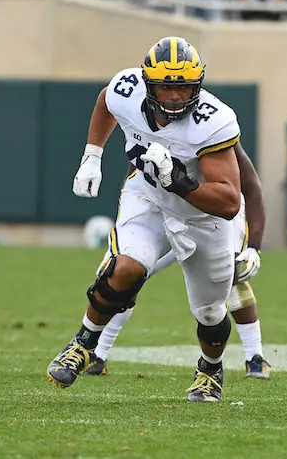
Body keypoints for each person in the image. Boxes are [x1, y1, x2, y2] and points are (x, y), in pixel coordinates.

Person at [47, 36, 243, 403]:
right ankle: (83, 342)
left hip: (204, 216)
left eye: (184, 88)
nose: (175, 98)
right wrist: (92, 155)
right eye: (167, 88)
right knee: (126, 268)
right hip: (148, 198)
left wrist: (180, 182)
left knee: (211, 311)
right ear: (147, 82)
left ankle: (210, 369)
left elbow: (230, 201)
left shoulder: (212, 122)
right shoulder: (127, 88)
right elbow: (106, 100)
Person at [85, 142, 271, 379]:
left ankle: (254, 355)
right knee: (127, 273)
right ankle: (97, 353)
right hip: (165, 212)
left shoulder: (212, 128)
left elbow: (251, 186)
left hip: (212, 216)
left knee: (231, 276)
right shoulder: (146, 124)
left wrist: (254, 246)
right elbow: (135, 178)